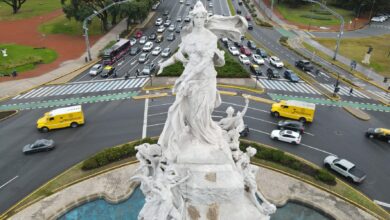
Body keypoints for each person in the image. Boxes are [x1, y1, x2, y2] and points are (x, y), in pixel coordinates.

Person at [156, 1, 247, 160]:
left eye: (201, 17)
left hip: (205, 78)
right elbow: (179, 55)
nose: (199, 20)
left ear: (205, 19)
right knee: (183, 110)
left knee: (202, 112)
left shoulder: (210, 37)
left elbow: (205, 61)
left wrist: (187, 78)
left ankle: (203, 138)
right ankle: (189, 138)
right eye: (196, 17)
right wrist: (163, 64)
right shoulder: (189, 37)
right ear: (192, 18)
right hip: (189, 75)